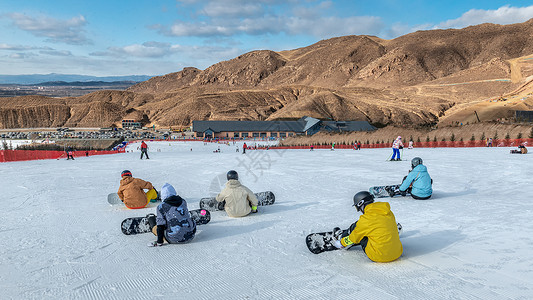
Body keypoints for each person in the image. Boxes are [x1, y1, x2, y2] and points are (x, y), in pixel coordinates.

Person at [330, 191, 403, 263]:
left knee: (357, 228)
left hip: (379, 256)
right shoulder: (388, 212)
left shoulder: (366, 220)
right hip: (397, 253)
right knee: (366, 228)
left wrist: (341, 243)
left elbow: (354, 238)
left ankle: (341, 236)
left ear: (361, 204)